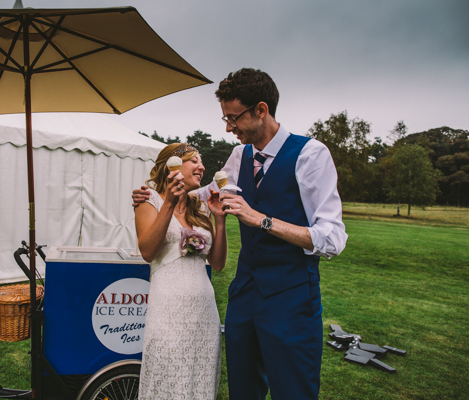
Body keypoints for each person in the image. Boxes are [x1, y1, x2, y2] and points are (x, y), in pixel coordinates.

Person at [133, 68, 348, 400]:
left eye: (233, 118)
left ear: (261, 110)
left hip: (291, 299)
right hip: (244, 297)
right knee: (242, 390)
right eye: (225, 118)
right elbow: (204, 195)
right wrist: (156, 195)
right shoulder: (239, 155)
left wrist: (261, 219)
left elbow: (332, 238)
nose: (228, 127)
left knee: (293, 391)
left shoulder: (311, 155)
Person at [134, 142, 227, 400]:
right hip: (168, 312)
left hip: (204, 314)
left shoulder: (200, 207)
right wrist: (169, 202)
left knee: (200, 382)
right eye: (194, 161)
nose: (202, 166)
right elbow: (148, 252)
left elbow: (217, 264)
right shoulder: (148, 201)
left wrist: (219, 218)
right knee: (167, 381)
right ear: (172, 167)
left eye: (201, 161)